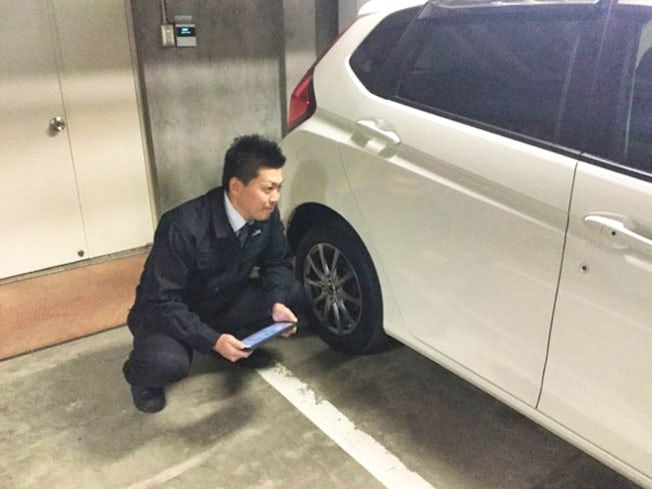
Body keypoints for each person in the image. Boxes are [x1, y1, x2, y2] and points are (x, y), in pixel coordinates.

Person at [122, 134, 304, 413]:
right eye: (268, 189)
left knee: (293, 294)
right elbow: (162, 300)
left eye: (279, 188)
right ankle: (142, 377)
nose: (275, 198)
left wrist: (277, 303)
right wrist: (212, 340)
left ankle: (234, 345)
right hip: (169, 312)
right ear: (236, 187)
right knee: (166, 363)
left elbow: (277, 263)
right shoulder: (182, 226)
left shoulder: (264, 216)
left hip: (222, 301)